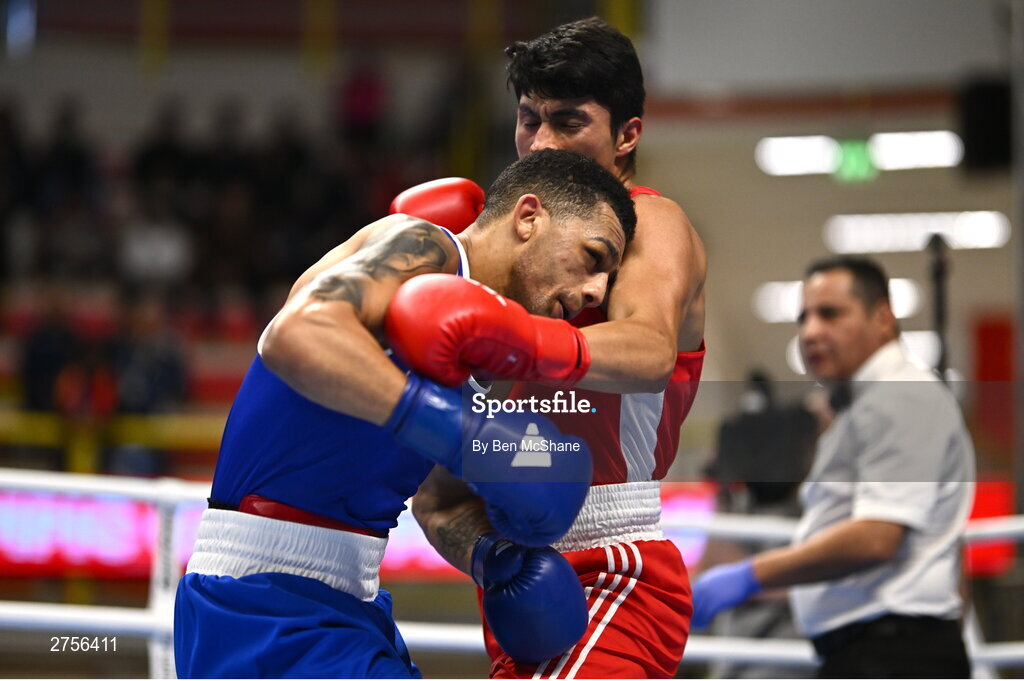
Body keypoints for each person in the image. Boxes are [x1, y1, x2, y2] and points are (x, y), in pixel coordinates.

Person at [172, 148, 637, 679]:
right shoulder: (424, 248)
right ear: (528, 217)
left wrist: (493, 559)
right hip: (261, 598)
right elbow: (293, 334)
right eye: (593, 257)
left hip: (344, 602)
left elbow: (438, 503)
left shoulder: (479, 353)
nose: (594, 291)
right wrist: (457, 431)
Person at [409, 17, 707, 679]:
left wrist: (507, 335)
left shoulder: (650, 222)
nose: (539, 142)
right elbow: (438, 499)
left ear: (628, 134)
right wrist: (494, 557)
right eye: (527, 119)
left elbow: (650, 347)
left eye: (568, 121)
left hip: (614, 555)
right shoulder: (508, 250)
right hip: (525, 574)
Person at [691, 256, 975, 678]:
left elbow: (877, 537)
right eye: (803, 318)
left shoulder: (901, 397)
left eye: (830, 314)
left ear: (882, 318)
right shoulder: (863, 409)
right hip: (870, 651)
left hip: (896, 653)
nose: (811, 332)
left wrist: (751, 575)